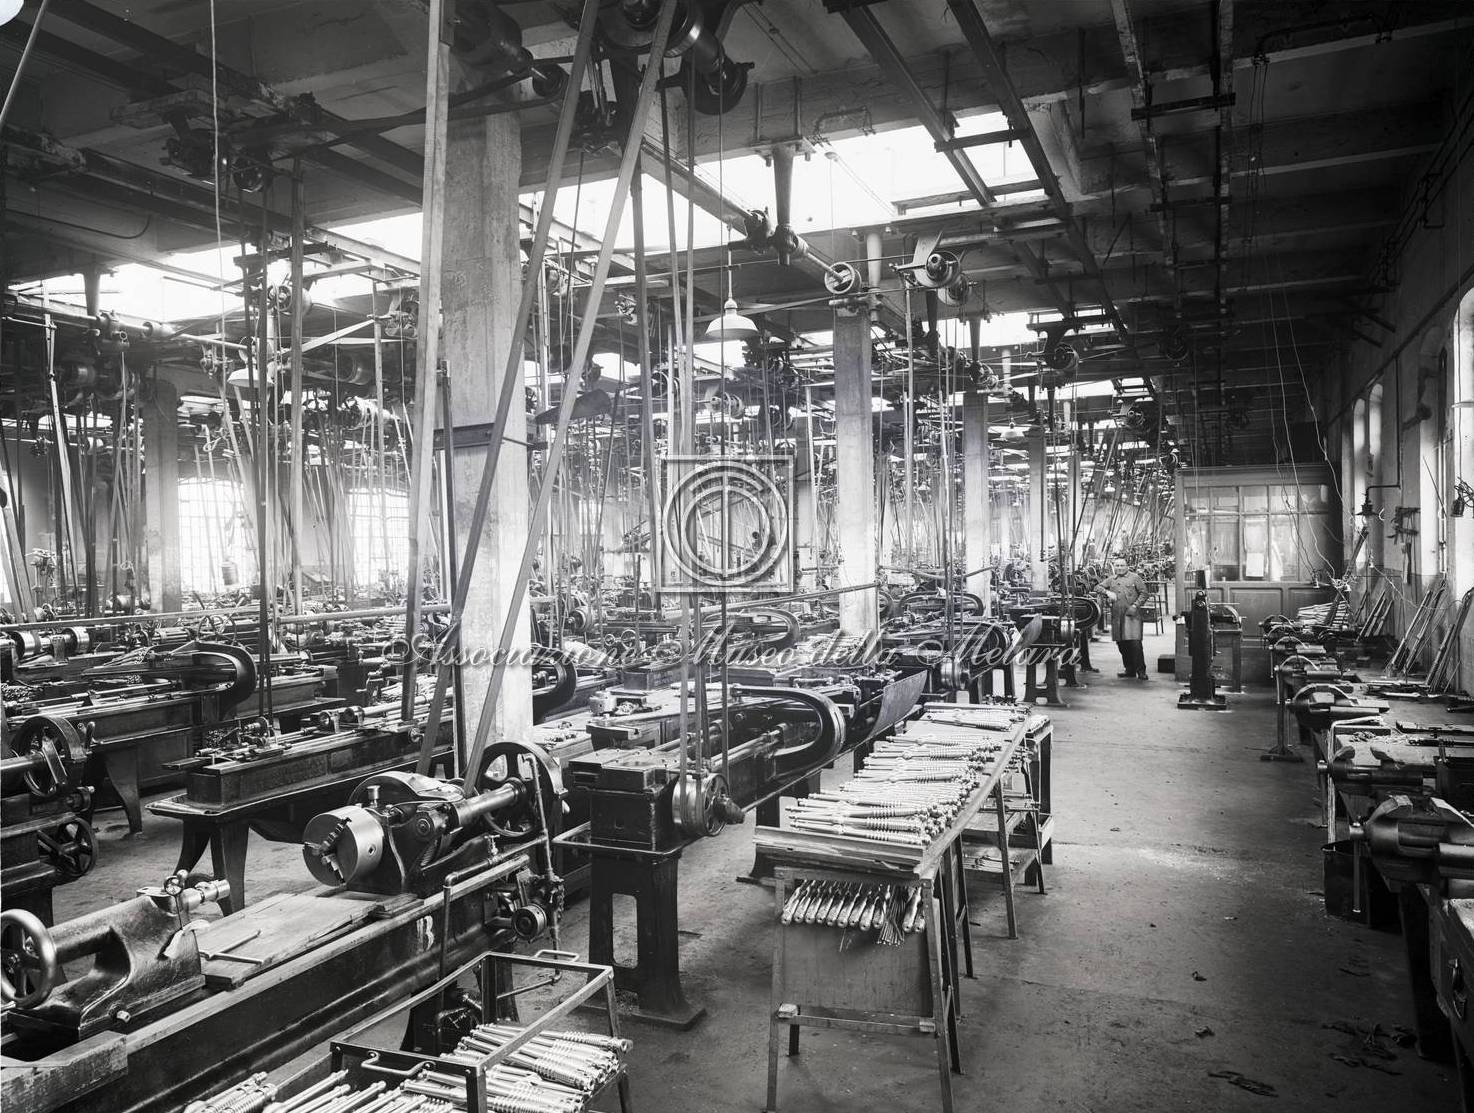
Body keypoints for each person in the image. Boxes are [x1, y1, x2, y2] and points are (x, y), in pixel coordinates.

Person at [1097, 557, 1150, 679]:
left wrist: (1135, 606)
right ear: (1114, 567)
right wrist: (1107, 593)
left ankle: (1141, 671)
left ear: (1127, 567)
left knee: (1135, 643)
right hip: (1117, 616)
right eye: (1117, 566)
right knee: (1122, 644)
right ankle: (1129, 669)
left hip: (1132, 615)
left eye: (1122, 565)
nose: (1119, 568)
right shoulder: (1111, 579)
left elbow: (1144, 593)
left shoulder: (1135, 578)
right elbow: (1097, 587)